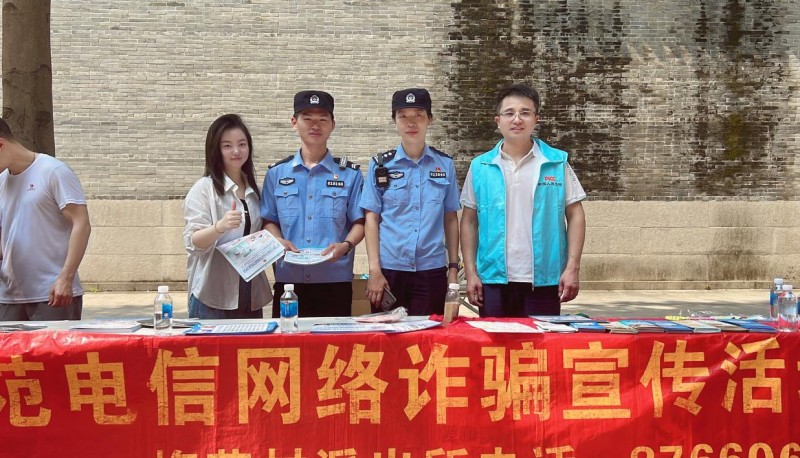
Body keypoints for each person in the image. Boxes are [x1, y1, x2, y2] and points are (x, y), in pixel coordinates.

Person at [460, 83, 586, 317]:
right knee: (494, 341)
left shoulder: (556, 162)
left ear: (536, 119)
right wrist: (471, 272)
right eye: (509, 113)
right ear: (498, 120)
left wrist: (572, 268)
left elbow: (575, 214)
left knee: (540, 340)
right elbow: (468, 221)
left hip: (545, 279)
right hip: (492, 279)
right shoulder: (481, 166)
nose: (517, 119)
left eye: (525, 113)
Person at [261, 90, 365, 317]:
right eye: (307, 119)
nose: (315, 125)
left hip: (335, 280)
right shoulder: (276, 174)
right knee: (288, 339)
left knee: (334, 340)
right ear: (294, 122)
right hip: (289, 282)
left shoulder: (350, 174)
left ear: (333, 125)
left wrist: (346, 245)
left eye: (322, 119)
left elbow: (360, 222)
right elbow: (269, 219)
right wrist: (278, 240)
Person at [360, 88, 460, 315]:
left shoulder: (444, 165)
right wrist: (374, 270)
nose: (411, 122)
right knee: (385, 335)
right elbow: (371, 218)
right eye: (403, 116)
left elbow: (451, 218)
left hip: (431, 270)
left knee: (429, 333)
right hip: (389, 271)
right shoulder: (380, 165)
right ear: (394, 120)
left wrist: (453, 268)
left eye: (418, 115)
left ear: (430, 119)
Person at [0, 118, 91, 321]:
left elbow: (81, 224)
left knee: (55, 344)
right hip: (9, 296)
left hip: (53, 294)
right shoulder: (1, 181)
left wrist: (66, 278)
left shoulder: (53, 171)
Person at [183, 114, 272, 319]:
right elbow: (193, 242)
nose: (236, 151)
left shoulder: (255, 191)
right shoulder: (204, 189)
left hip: (249, 292)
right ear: (216, 150)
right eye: (227, 146)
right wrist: (219, 227)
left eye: (242, 144)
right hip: (213, 293)